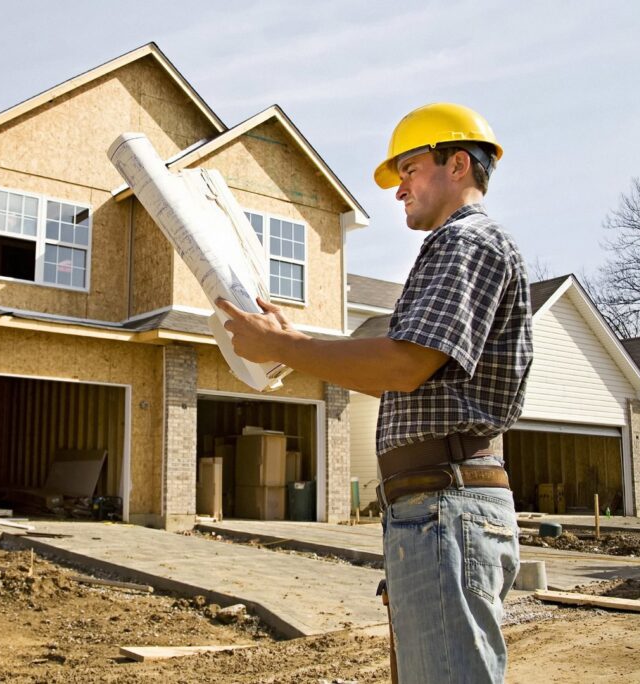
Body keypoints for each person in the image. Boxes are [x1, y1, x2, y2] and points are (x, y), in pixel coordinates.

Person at [217, 102, 532, 683]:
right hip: (434, 505)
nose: (398, 190)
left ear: (457, 164)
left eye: (409, 170)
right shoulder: (454, 249)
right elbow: (398, 363)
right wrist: (298, 341)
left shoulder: (467, 243)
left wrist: (284, 348)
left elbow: (405, 364)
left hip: (446, 504)